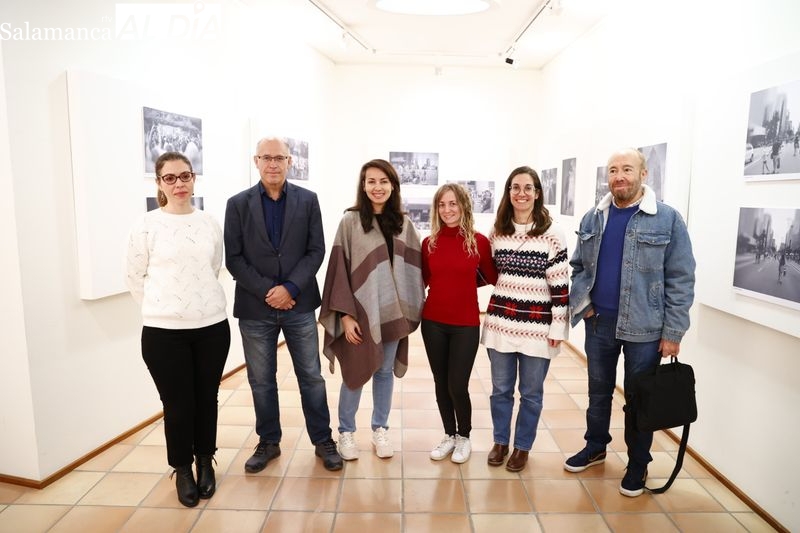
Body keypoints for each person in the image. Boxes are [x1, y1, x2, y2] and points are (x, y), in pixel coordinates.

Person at [564, 148, 695, 497]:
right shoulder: (594, 217)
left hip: (646, 328)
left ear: (643, 174)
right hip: (599, 324)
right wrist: (584, 306)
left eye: (626, 169)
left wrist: (673, 332)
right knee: (598, 393)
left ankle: (638, 464)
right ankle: (595, 447)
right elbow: (578, 266)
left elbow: (681, 278)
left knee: (640, 400)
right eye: (612, 170)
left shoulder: (667, 219)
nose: (619, 176)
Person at [224, 137, 343, 473]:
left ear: (290, 161)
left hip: (299, 304)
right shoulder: (238, 204)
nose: (273, 164)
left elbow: (316, 250)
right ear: (256, 161)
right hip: (255, 308)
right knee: (261, 381)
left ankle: (322, 440)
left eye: (279, 158)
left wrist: (290, 288)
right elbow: (234, 258)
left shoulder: (308, 200)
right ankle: (268, 441)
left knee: (311, 377)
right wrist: (270, 291)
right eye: (266, 157)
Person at [126, 152, 230, 508]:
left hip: (212, 327)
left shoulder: (209, 223)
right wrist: (165, 309)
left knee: (207, 399)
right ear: (159, 183)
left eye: (185, 176)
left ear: (193, 178)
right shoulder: (146, 225)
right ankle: (182, 468)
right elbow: (134, 276)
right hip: (163, 333)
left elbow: (213, 267)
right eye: (169, 178)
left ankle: (205, 461)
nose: (179, 184)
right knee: (177, 404)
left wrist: (196, 305)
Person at [319, 159, 425, 461]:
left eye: (383, 181)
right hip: (358, 314)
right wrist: (346, 316)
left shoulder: (404, 224)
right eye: (371, 181)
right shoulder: (350, 222)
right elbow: (339, 271)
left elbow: (414, 269)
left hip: (393, 313)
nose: (377, 187)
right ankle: (346, 432)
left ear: (393, 186)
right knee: (355, 372)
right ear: (363, 186)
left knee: (384, 372)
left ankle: (380, 429)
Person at [481, 166, 569, 473]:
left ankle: (522, 447)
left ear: (537, 193)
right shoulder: (497, 231)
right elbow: (490, 273)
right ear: (508, 193)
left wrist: (558, 326)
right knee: (501, 390)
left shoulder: (553, 234)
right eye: (515, 187)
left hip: (538, 328)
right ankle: (500, 442)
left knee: (531, 394)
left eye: (528, 188)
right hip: (501, 324)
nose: (521, 193)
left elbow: (560, 285)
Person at [421, 184, 497, 463]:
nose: (447, 210)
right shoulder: (429, 244)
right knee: (441, 383)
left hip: (465, 324)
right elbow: (424, 279)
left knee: (457, 384)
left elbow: (492, 276)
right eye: (442, 205)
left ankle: (464, 436)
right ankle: (449, 435)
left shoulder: (479, 242)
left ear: (464, 205)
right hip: (433, 322)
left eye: (453, 203)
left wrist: (465, 286)